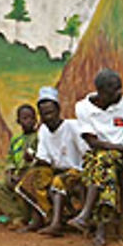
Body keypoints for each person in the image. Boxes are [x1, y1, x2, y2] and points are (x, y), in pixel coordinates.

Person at [68, 69, 123, 246]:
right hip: (98, 157)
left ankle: (87, 216)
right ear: (101, 92)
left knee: (102, 163)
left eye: (120, 88)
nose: (119, 93)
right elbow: (92, 142)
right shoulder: (83, 107)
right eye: (113, 90)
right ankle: (100, 226)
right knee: (103, 164)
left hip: (121, 160)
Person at [18, 87, 87, 236]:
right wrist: (33, 160)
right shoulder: (43, 130)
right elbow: (44, 158)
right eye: (43, 114)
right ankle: (41, 219)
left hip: (77, 170)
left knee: (57, 181)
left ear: (58, 110)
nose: (48, 117)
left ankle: (56, 224)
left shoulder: (72, 126)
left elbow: (86, 153)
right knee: (31, 178)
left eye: (50, 112)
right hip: (56, 170)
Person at [0, 104, 39, 229]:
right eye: (25, 118)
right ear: (18, 121)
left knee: (23, 187)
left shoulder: (39, 138)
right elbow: (10, 158)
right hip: (16, 174)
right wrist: (10, 172)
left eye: (31, 118)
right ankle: (17, 217)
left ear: (36, 119)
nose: (28, 121)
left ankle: (23, 217)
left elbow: (39, 160)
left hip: (30, 173)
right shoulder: (16, 139)